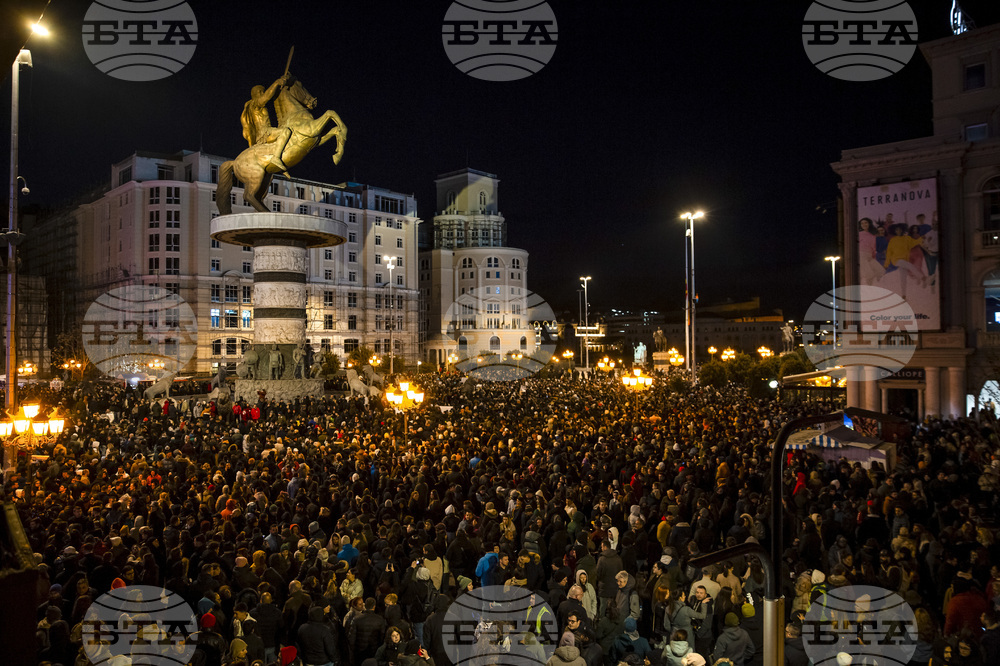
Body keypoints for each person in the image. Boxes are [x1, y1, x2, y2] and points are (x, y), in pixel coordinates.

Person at [240, 73, 293, 174]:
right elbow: (266, 97)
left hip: (267, 131)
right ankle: (276, 158)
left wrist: (282, 83)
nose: (263, 93)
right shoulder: (254, 104)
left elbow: (270, 94)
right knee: (285, 132)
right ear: (257, 93)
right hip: (265, 133)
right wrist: (277, 82)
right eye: (261, 92)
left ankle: (279, 161)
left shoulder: (256, 105)